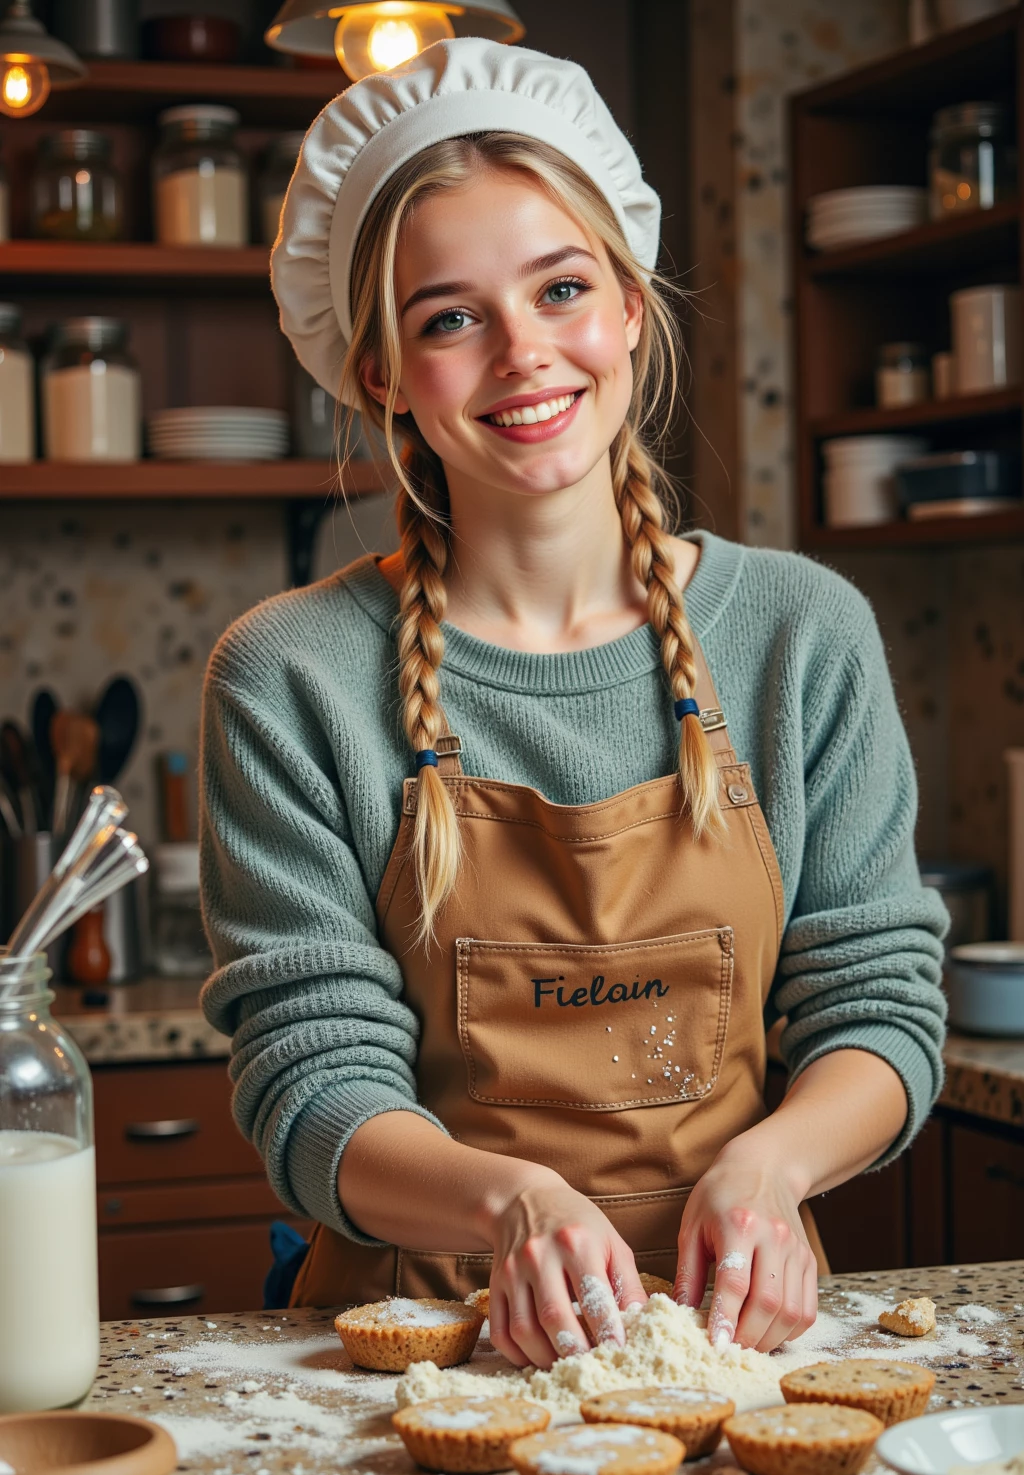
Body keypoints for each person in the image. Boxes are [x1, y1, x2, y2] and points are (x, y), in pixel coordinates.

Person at [199, 38, 948, 1368]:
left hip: (742, 1344)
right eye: (448, 317)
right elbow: (312, 1077)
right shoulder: (291, 674)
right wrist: (517, 1204)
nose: (523, 355)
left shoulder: (798, 635)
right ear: (383, 375)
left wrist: (770, 1168)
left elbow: (877, 1004)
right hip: (415, 1360)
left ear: (632, 310)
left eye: (560, 289)